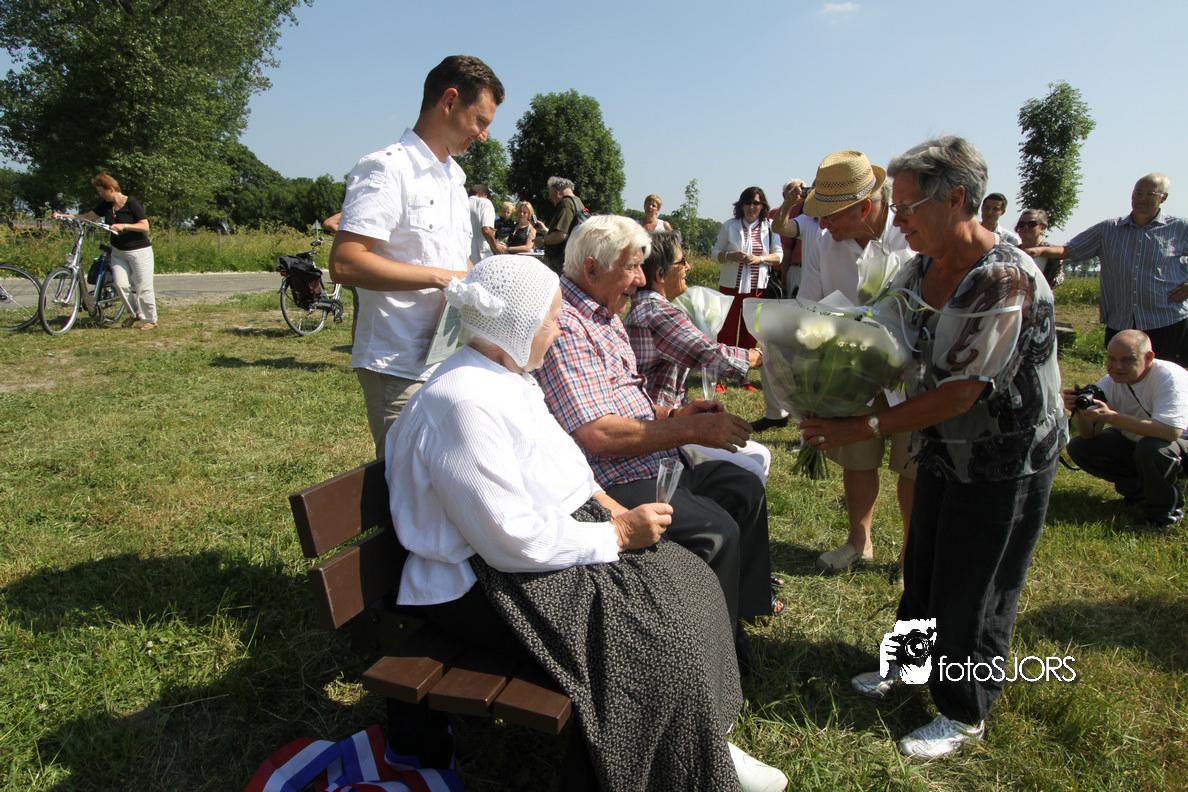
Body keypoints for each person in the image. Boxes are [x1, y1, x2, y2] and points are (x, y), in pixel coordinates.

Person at [385, 254, 788, 792]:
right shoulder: (462, 401)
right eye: (553, 318)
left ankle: (701, 741)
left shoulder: (507, 376)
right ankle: (662, 766)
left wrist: (608, 506)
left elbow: (565, 465)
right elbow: (508, 538)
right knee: (648, 638)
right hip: (475, 580)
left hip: (532, 548)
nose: (559, 329)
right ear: (518, 325)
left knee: (690, 583)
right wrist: (615, 534)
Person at [800, 136, 1066, 759]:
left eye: (908, 207)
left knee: (976, 584)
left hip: (1005, 458)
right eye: (895, 207)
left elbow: (961, 393)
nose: (898, 220)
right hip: (944, 447)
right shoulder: (920, 268)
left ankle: (964, 710)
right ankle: (908, 665)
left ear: (956, 199)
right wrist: (824, 376)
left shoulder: (1002, 279)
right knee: (923, 565)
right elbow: (882, 337)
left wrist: (864, 426)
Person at [536, 215, 776, 643]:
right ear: (591, 269)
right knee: (716, 532)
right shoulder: (568, 326)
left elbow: (626, 404)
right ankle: (719, 655)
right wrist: (692, 432)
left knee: (744, 488)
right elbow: (598, 435)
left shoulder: (607, 315)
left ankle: (745, 606)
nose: (642, 278)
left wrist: (676, 416)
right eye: (631, 266)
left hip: (650, 461)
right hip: (611, 480)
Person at [328, 55, 504, 457]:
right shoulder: (386, 169)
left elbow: (454, 261)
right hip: (398, 363)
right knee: (408, 483)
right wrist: (443, 278)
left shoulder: (454, 179)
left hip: (445, 359)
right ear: (450, 101)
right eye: (480, 121)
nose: (483, 136)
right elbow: (345, 262)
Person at [770, 150, 917, 575]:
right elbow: (810, 304)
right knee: (857, 455)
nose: (823, 225)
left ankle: (911, 555)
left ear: (865, 209)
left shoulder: (911, 237)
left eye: (831, 216)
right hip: (850, 372)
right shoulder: (824, 242)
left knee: (913, 463)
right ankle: (859, 540)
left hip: (912, 372)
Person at [624, 229, 770, 484]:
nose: (688, 267)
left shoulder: (645, 307)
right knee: (755, 465)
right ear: (660, 274)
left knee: (759, 456)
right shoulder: (658, 313)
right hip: (660, 431)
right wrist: (764, 354)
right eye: (682, 262)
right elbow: (715, 358)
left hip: (663, 421)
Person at [1025, 173, 1188, 367]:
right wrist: (1040, 250)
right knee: (1122, 377)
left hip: (1167, 320)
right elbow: (1069, 250)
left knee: (1169, 377)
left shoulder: (1179, 228)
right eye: (1138, 192)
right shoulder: (1109, 229)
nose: (1142, 198)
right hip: (1122, 322)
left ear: (1163, 197)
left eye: (1150, 193)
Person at [1064, 329, 1188, 527]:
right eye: (1111, 359)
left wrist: (1112, 417)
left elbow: (1171, 432)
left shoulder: (1168, 377)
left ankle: (1164, 515)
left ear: (1149, 357)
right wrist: (1079, 412)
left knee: (1154, 448)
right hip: (1140, 442)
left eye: (1127, 360)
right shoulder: (1110, 382)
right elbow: (1090, 435)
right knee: (1080, 447)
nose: (1117, 367)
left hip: (1178, 444)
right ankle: (1142, 495)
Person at [54, 173, 158, 330]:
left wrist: (124, 225)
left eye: (101, 192)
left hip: (139, 252)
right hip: (118, 252)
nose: (100, 195)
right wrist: (64, 216)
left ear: (111, 189)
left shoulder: (132, 203)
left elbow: (145, 226)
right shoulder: (105, 206)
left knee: (143, 286)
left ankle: (150, 319)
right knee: (120, 285)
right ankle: (134, 314)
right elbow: (87, 217)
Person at [711, 187, 781, 348]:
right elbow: (715, 254)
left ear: (762, 206)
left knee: (750, 332)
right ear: (741, 205)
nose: (752, 207)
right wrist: (729, 255)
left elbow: (778, 256)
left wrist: (759, 259)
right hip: (730, 287)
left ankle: (745, 360)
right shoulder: (730, 225)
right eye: (748, 203)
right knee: (726, 330)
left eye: (756, 203)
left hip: (757, 289)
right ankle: (725, 360)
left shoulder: (770, 227)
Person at [538, 176, 585, 275]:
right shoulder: (578, 202)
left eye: (552, 197)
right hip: (572, 260)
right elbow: (569, 232)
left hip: (559, 263)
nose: (553, 203)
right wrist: (545, 231)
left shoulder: (566, 203)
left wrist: (542, 241)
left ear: (557, 192)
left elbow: (561, 235)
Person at [770, 179, 808, 297]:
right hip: (793, 269)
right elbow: (786, 248)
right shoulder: (779, 213)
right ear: (784, 195)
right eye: (792, 191)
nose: (796, 193)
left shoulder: (808, 212)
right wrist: (784, 282)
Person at [1013, 209, 1063, 288]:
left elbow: (1058, 280)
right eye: (1022, 224)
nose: (1026, 227)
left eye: (1031, 224)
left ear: (1042, 228)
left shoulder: (1052, 253)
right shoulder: (1012, 252)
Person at [468, 183, 505, 262]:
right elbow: (486, 229)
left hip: (464, 257)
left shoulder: (461, 204)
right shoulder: (485, 202)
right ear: (485, 196)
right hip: (481, 256)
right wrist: (495, 246)